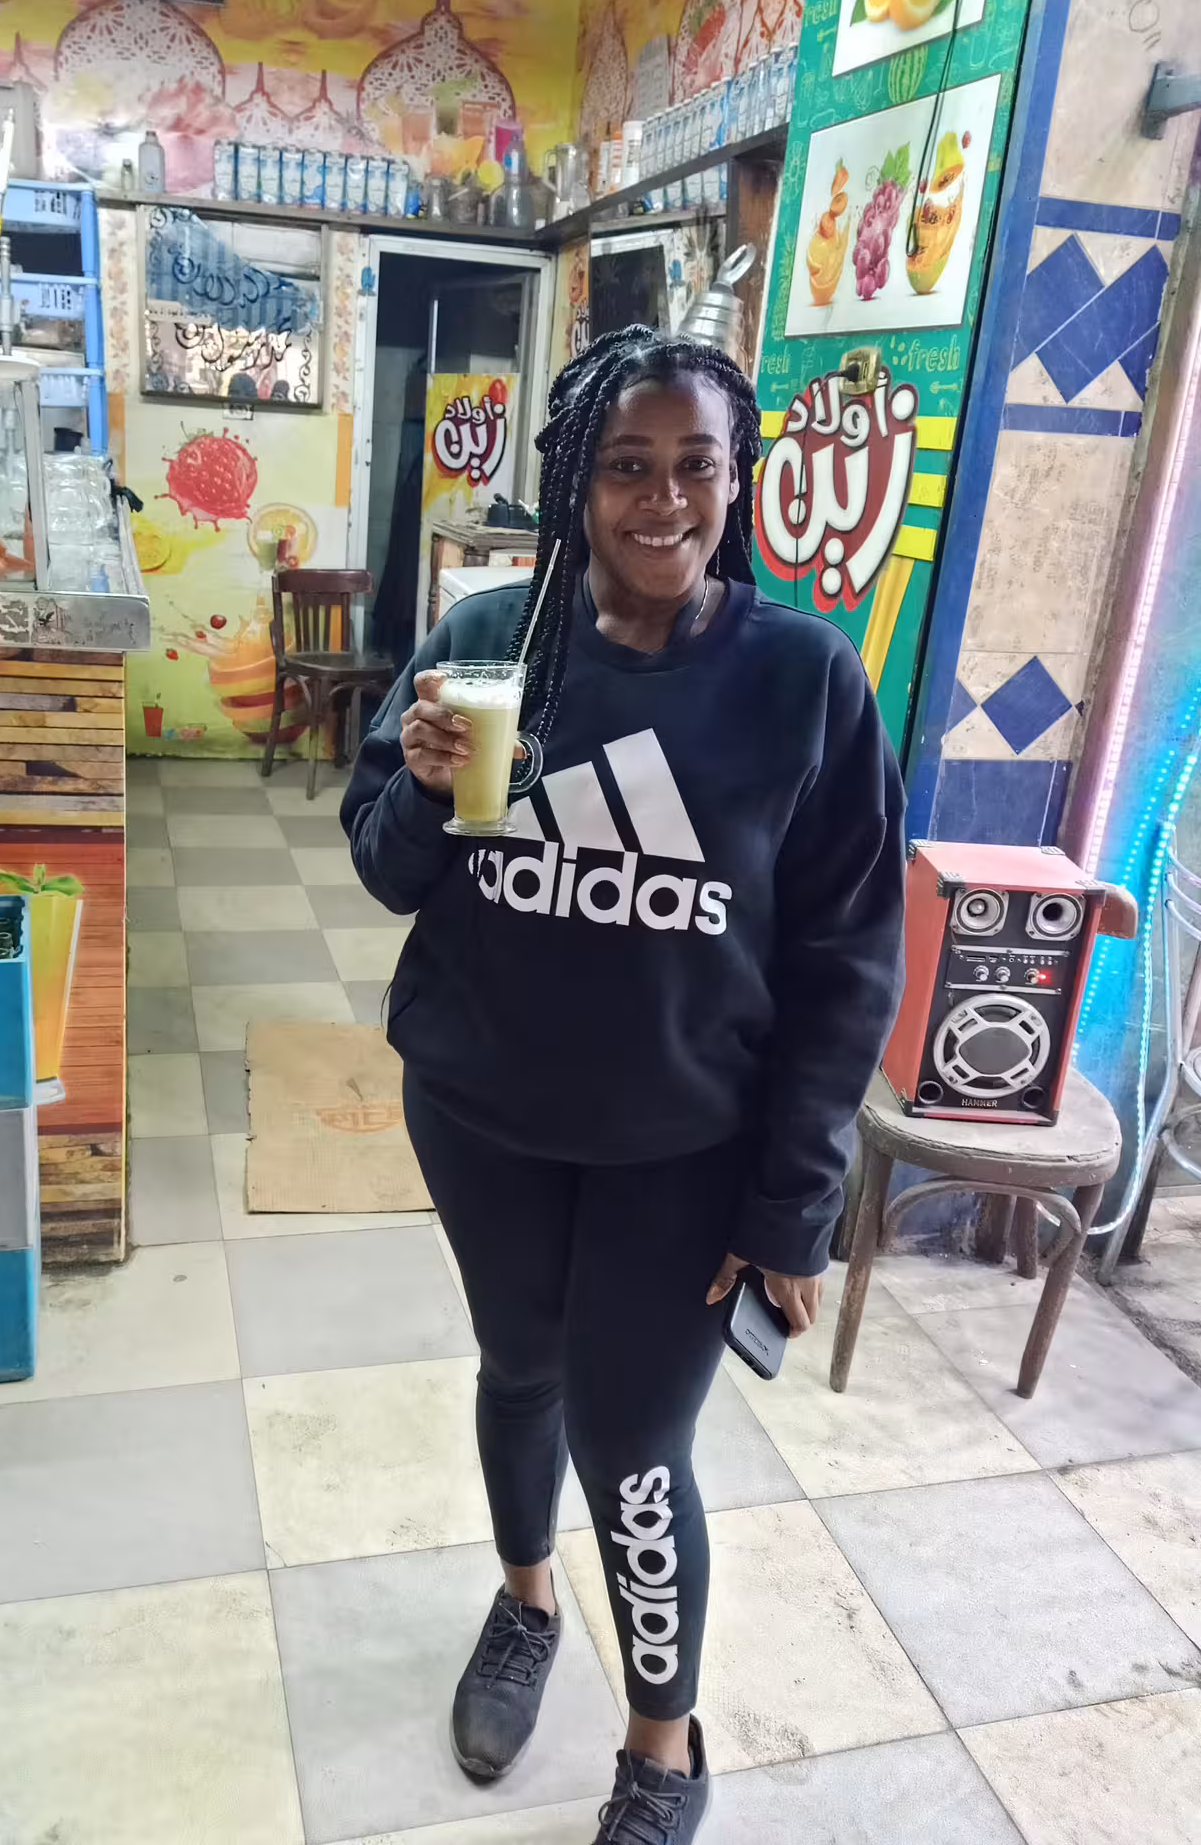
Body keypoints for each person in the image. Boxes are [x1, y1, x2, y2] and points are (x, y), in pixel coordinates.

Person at [342, 326, 906, 1843]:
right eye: (626, 468)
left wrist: (795, 1207)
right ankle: (526, 1603)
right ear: (577, 483)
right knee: (518, 1372)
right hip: (483, 1118)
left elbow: (851, 959)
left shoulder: (802, 680)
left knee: (634, 1449)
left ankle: (664, 1746)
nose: (663, 500)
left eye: (695, 467)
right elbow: (391, 874)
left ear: (740, 481)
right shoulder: (485, 638)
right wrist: (413, 776)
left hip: (685, 1147)